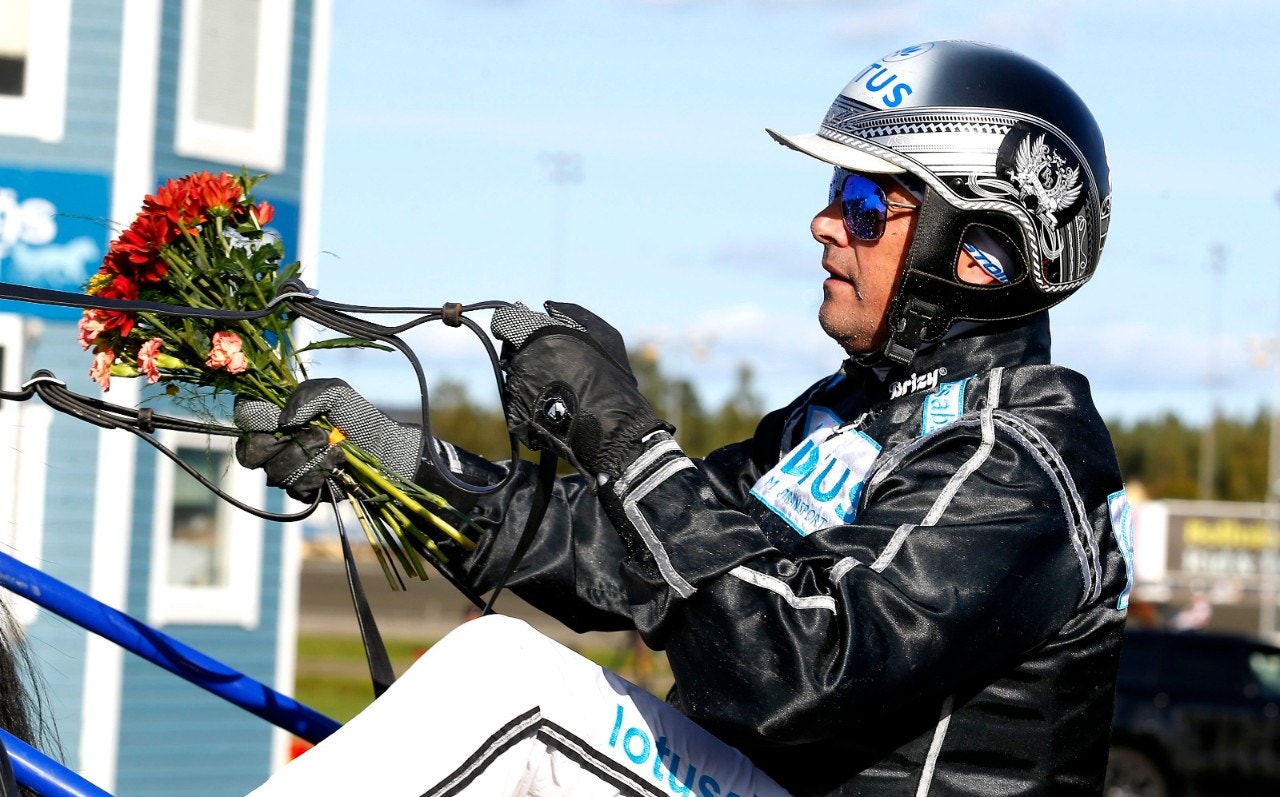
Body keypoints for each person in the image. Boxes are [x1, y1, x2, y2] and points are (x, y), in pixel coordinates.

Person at [239, 40, 1132, 796]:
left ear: (981, 252)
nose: (823, 223)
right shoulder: (845, 414)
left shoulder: (1017, 455)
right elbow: (627, 556)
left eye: (865, 207)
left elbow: (799, 668)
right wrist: (391, 461)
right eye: (834, 189)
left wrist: (622, 438)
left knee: (505, 678)